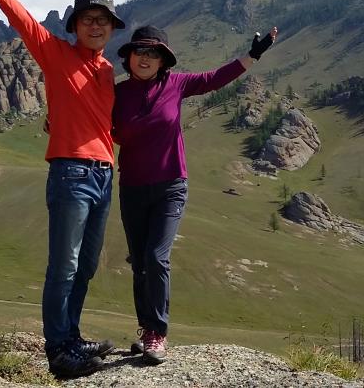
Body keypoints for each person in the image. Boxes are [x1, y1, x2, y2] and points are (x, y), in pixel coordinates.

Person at [0, 0, 123, 379]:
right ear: (75, 25)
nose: (96, 26)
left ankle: (72, 335)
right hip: (71, 173)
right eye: (88, 19)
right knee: (64, 265)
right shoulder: (55, 53)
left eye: (103, 21)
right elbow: (24, 22)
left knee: (86, 266)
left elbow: (104, 123)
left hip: (105, 175)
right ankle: (58, 350)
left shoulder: (107, 71)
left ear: (111, 28)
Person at [112, 24, 277, 364]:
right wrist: (58, 121)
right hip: (131, 188)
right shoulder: (117, 93)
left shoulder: (177, 84)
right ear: (129, 57)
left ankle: (158, 333)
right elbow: (89, 114)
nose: (145, 58)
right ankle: (146, 329)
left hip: (171, 186)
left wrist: (253, 55)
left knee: (156, 257)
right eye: (140, 51)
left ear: (163, 60)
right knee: (140, 263)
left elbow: (215, 78)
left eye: (153, 53)